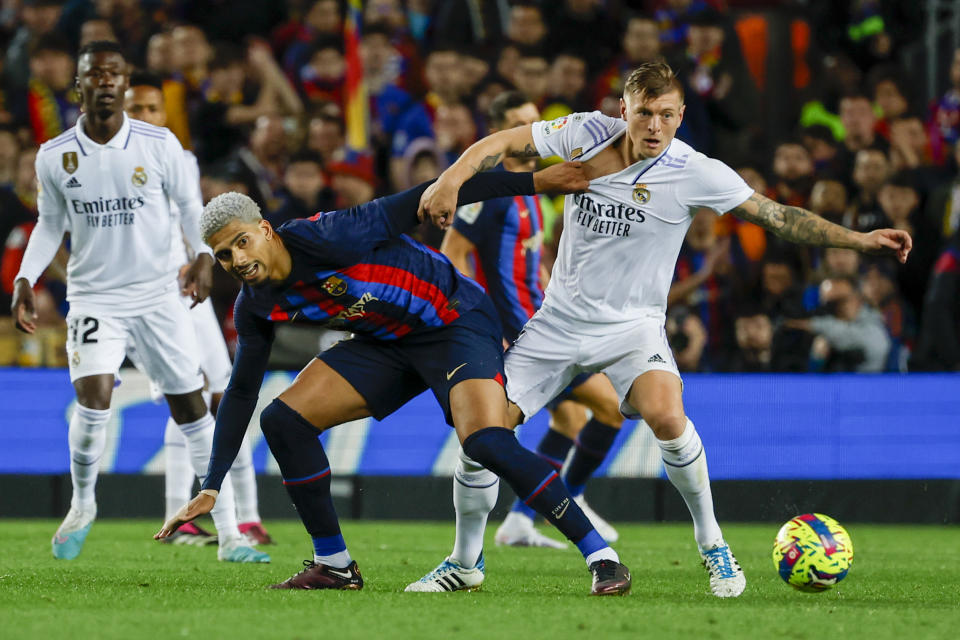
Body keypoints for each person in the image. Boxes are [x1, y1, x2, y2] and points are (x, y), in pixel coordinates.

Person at [415, 61, 912, 598]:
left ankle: (713, 544)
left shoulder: (694, 170)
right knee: (481, 437)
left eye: (667, 115)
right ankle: (465, 563)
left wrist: (860, 243)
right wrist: (451, 177)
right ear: (624, 110)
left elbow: (778, 216)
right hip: (557, 324)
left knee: (668, 418)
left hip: (634, 329)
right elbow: (504, 140)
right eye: (645, 113)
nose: (655, 126)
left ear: (680, 116)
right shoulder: (585, 133)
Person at [155, 162, 635, 597]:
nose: (236, 260)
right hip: (386, 343)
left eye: (242, 243)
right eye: (222, 256)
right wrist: (212, 483)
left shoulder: (332, 235)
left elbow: (439, 191)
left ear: (265, 230)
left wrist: (540, 181)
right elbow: (241, 391)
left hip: (454, 321)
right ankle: (334, 566)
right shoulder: (255, 304)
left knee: (485, 441)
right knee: (283, 421)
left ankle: (601, 557)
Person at [10, 41, 266, 563]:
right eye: (93, 74)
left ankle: (232, 535)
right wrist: (23, 278)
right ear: (78, 86)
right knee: (94, 396)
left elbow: (191, 207)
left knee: (193, 410)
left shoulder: (160, 144)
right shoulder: (54, 156)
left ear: (124, 85)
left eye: (113, 74)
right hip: (95, 296)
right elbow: (50, 225)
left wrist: (200, 254)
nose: (104, 82)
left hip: (158, 296)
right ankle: (83, 505)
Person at [439, 91, 624, 552]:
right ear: (501, 134)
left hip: (543, 321)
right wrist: (477, 323)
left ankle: (520, 520)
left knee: (568, 420)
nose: (532, 132)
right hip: (516, 332)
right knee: (608, 407)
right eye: (520, 124)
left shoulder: (538, 188)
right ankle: (570, 497)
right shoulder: (491, 190)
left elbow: (529, 261)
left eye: (534, 122)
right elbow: (453, 254)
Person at [124, 70, 274, 547]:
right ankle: (180, 518)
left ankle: (247, 516)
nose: (144, 118)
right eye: (134, 110)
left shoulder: (179, 158)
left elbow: (192, 218)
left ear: (165, 113)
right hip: (146, 298)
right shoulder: (107, 165)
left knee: (224, 393)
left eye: (151, 109)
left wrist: (206, 262)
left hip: (188, 292)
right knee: (184, 396)